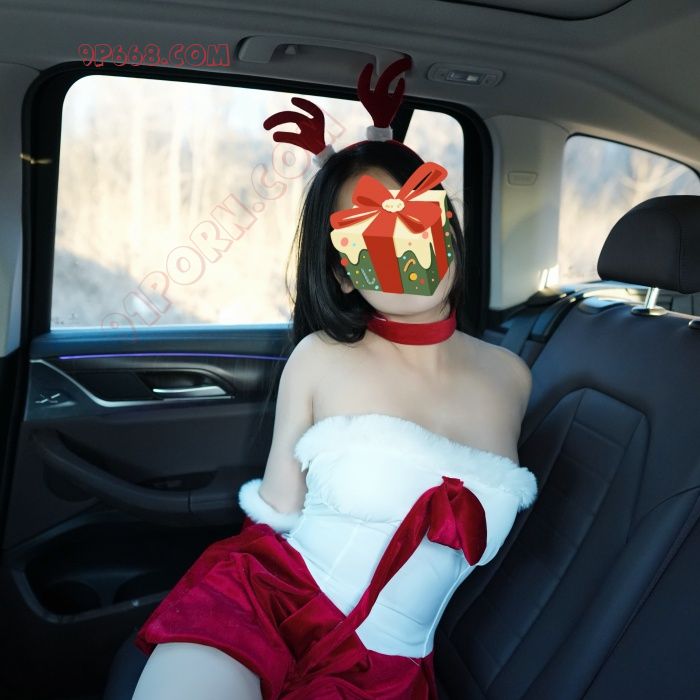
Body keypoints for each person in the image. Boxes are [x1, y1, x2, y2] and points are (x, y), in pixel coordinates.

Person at [130, 60, 538, 700]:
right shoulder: (320, 358)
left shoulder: (511, 376)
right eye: (368, 233)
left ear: (448, 227)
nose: (401, 244)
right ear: (343, 273)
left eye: (417, 216)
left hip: (388, 670)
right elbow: (278, 515)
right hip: (266, 605)